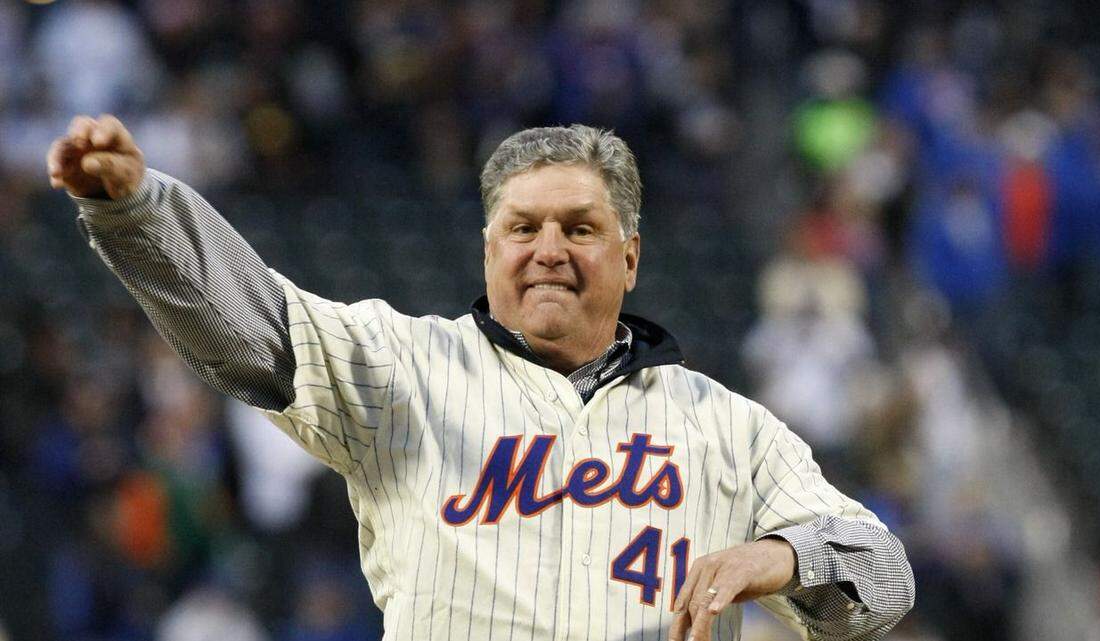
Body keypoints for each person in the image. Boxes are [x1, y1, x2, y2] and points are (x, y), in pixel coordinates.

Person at [47, 114, 915, 641]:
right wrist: (136, 211)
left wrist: (777, 552)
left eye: (579, 227)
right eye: (522, 227)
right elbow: (250, 325)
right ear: (489, 249)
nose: (547, 249)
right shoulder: (403, 368)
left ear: (631, 255)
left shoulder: (725, 425)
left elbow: (883, 576)